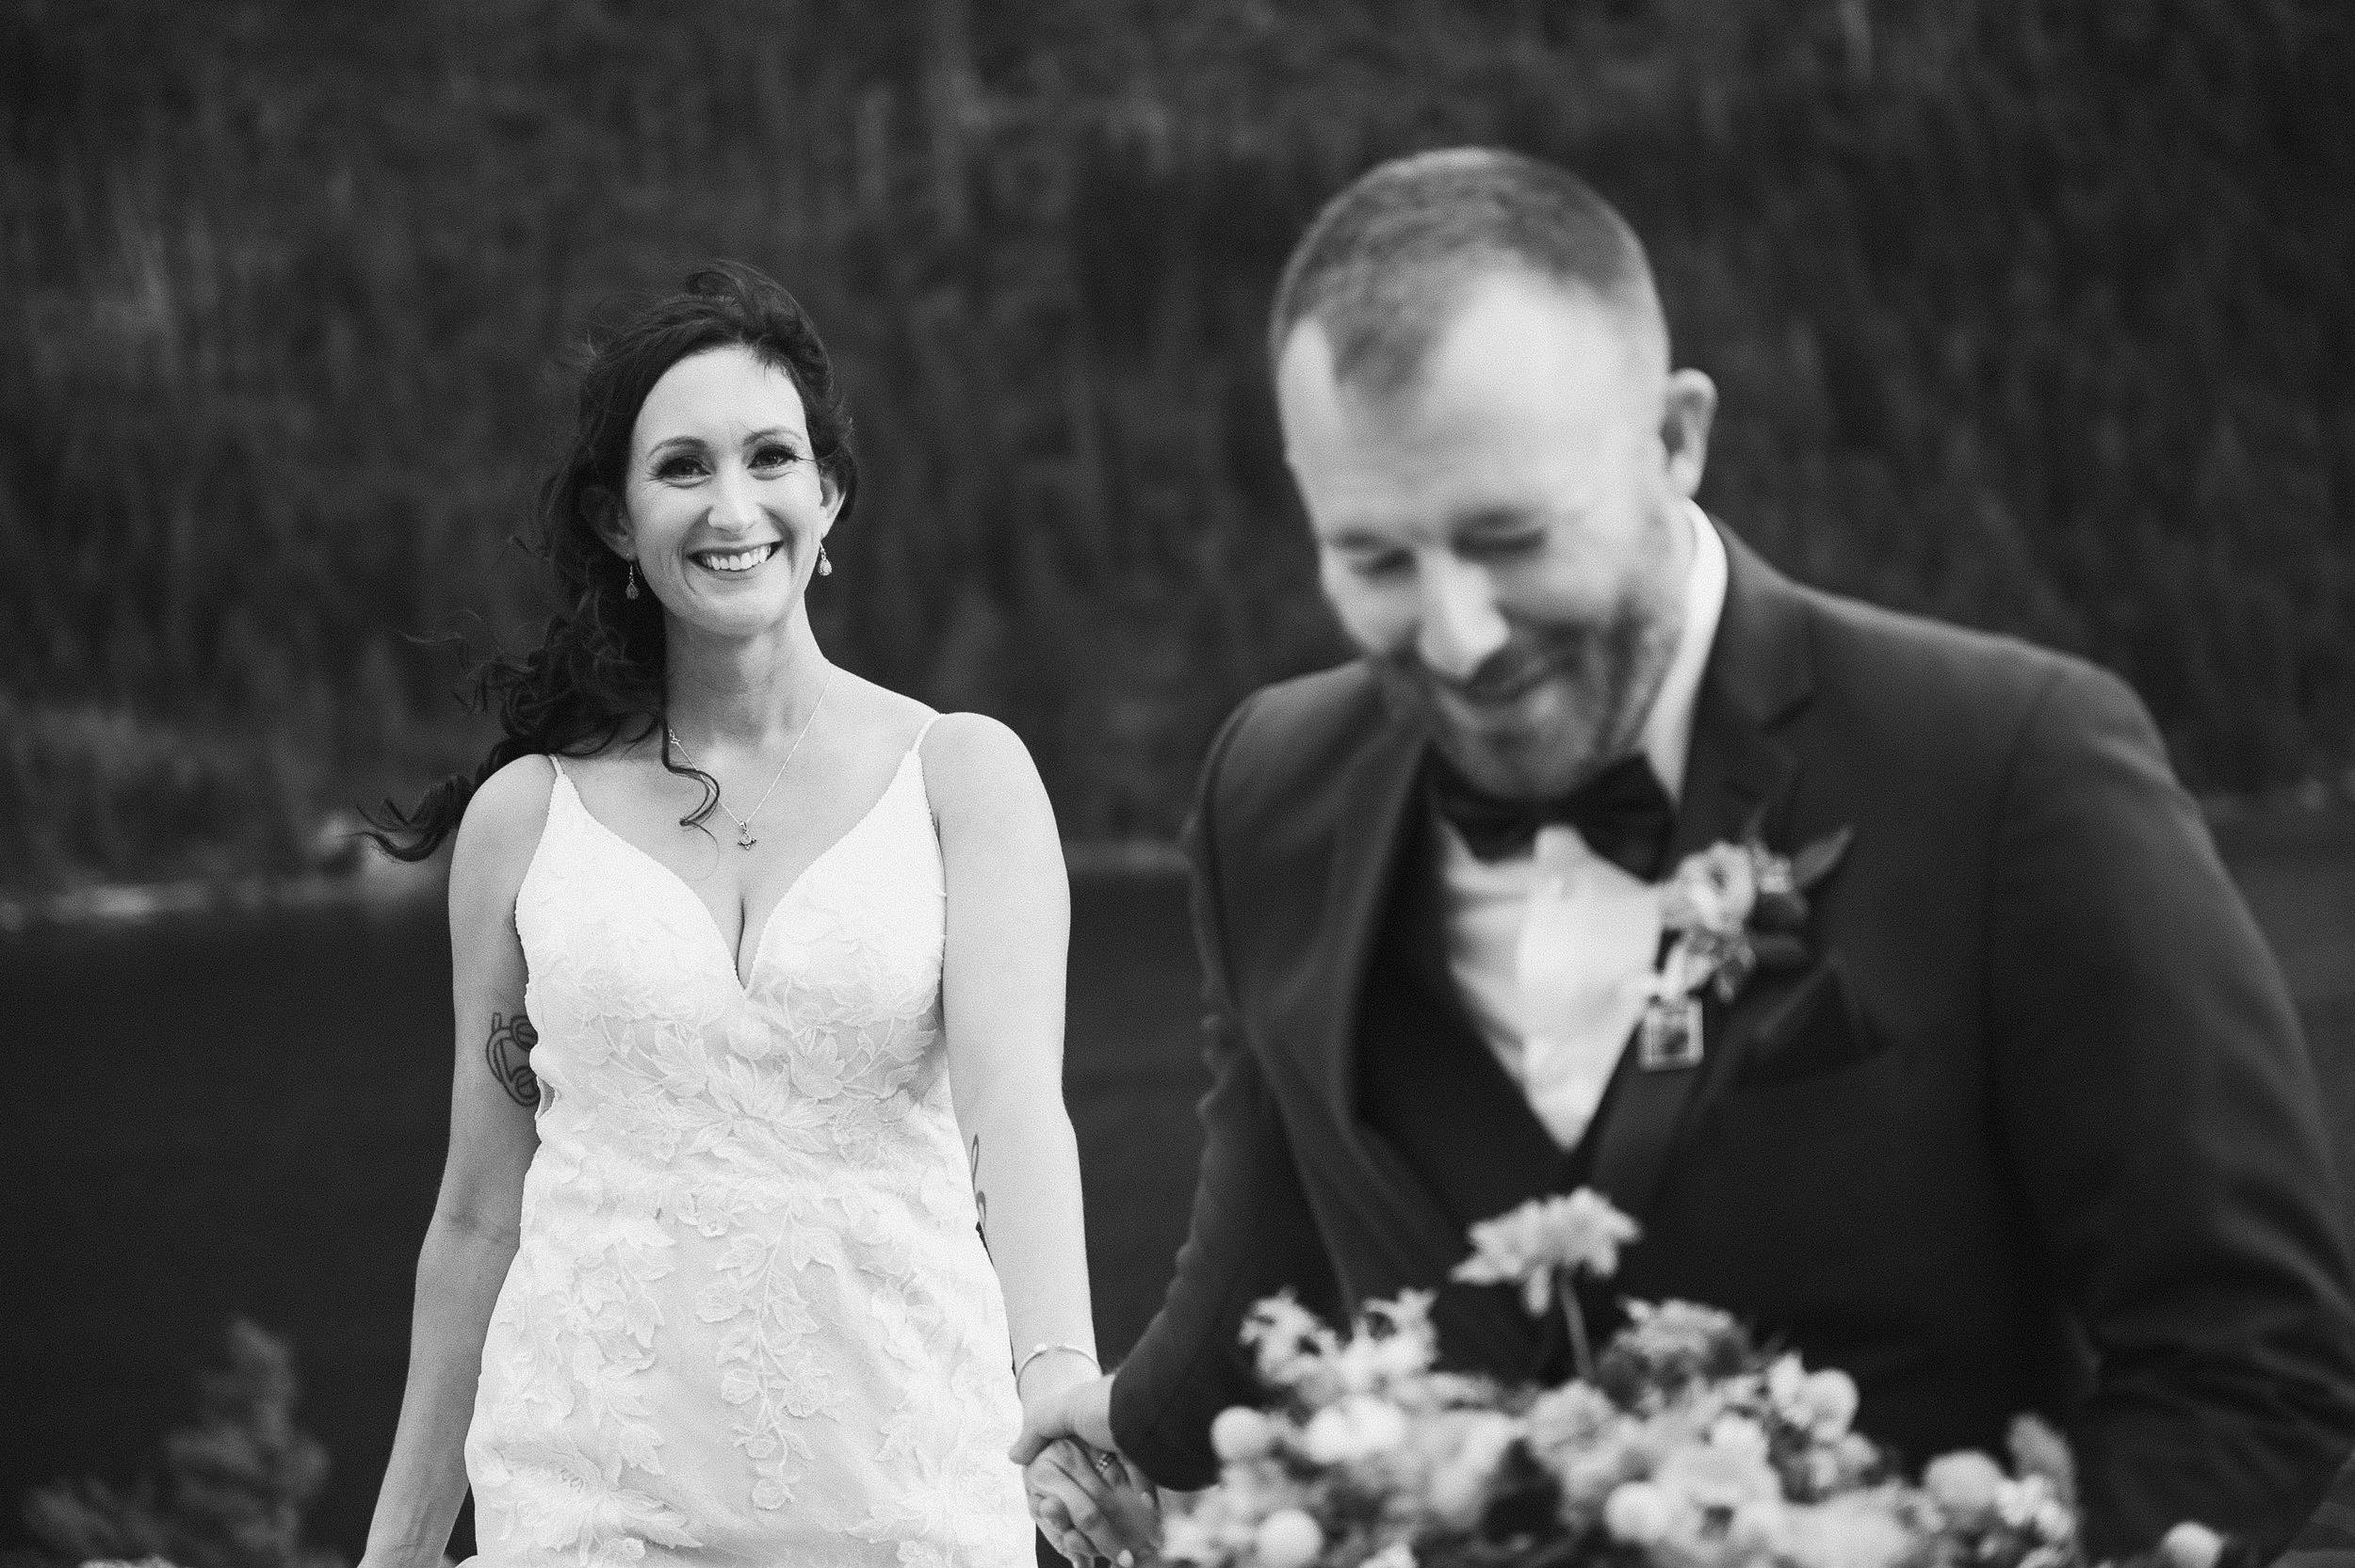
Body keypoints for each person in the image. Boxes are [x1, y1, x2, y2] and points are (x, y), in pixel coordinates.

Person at [1013, 148, 2355, 1560]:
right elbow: (1269, 1252)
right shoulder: (1267, 789)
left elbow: (2250, 1364)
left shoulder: (2015, 765)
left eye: (1511, 538)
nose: (1459, 636)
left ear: (1675, 438)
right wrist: (1119, 1427)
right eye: (1378, 560)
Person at [356, 263, 1098, 1568]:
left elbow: (1016, 1111)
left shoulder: (962, 779)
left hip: (905, 1482)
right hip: (588, 1497)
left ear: (830, 494)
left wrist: (1060, 1390)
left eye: (771, 457)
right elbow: (481, 1210)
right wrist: (397, 1554)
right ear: (615, 521)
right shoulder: (527, 823)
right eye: (682, 468)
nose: (734, 504)